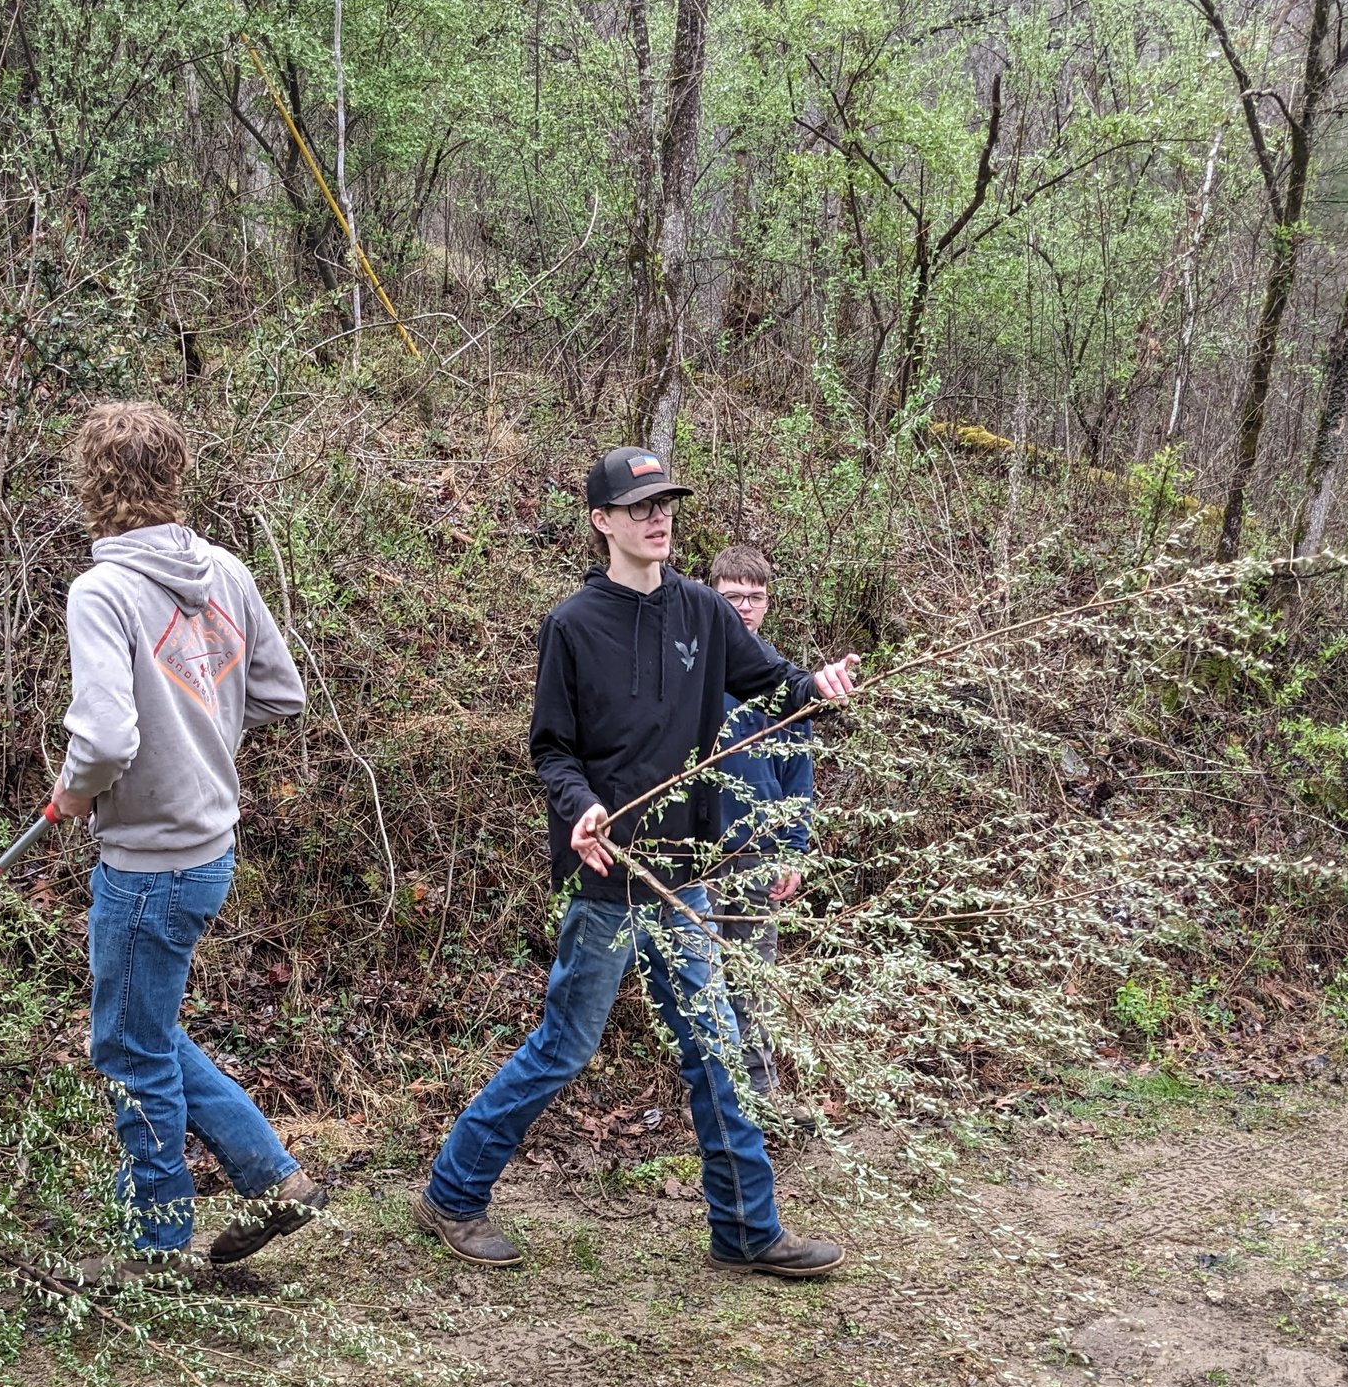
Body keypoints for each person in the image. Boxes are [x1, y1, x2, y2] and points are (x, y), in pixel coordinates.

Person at [413, 446, 859, 1278]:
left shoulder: (701, 610)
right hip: (609, 877)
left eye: (666, 504)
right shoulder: (572, 625)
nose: (658, 517)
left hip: (682, 873)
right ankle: (453, 1189)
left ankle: (745, 1228)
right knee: (565, 1046)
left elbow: (772, 686)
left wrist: (817, 686)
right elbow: (551, 750)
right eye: (640, 505)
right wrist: (581, 807)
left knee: (715, 1047)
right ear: (602, 521)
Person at [49, 401, 322, 1275]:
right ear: (176, 473)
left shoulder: (102, 592)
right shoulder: (226, 572)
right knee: (148, 1028)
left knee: (129, 1048)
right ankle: (273, 1178)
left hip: (148, 864)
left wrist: (72, 792)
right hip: (211, 850)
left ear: (92, 484)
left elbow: (102, 740)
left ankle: (157, 1247)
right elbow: (282, 693)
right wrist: (206, 712)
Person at [707, 545, 813, 1104]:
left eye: (755, 597)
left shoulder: (781, 680)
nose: (745, 607)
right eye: (733, 597)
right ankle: (710, 1097)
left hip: (758, 853)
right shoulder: (693, 670)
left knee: (752, 979)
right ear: (712, 598)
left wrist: (793, 853)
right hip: (694, 852)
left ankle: (761, 1097)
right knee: (696, 982)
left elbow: (798, 778)